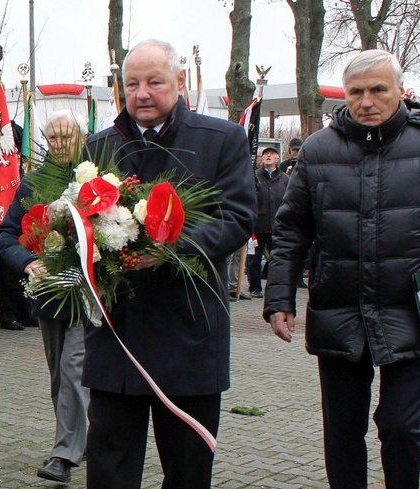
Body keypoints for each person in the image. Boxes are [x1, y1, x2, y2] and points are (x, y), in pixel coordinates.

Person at [263, 49, 420, 489]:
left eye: (378, 90)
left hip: (416, 310)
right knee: (342, 430)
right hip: (339, 309)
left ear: (401, 91)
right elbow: (291, 231)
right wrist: (279, 298)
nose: (366, 101)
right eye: (356, 92)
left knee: (401, 425)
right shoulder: (318, 150)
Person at [83, 39, 256, 488]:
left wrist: (168, 250)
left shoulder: (222, 140)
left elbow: (236, 218)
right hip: (118, 334)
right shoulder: (97, 147)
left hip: (189, 332)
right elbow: (77, 221)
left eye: (155, 82)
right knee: (110, 468)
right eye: (133, 83)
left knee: (187, 469)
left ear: (180, 82)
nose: (143, 93)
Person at [0, 109, 92, 483]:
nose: (59, 145)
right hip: (51, 293)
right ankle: (79, 439)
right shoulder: (32, 183)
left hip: (90, 291)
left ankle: (64, 454)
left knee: (74, 367)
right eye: (52, 138)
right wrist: (28, 263)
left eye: (66, 137)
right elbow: (6, 235)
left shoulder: (98, 178)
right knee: (60, 375)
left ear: (80, 138)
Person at [247, 145, 288, 298]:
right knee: (254, 260)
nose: (268, 156)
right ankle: (255, 287)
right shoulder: (254, 177)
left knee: (278, 259)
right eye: (265, 154)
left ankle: (275, 289)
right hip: (258, 225)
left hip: (278, 225)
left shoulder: (285, 179)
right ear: (261, 159)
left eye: (272, 154)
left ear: (278, 158)